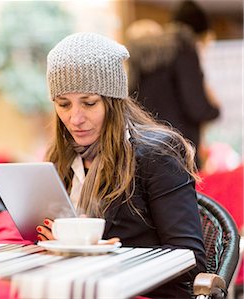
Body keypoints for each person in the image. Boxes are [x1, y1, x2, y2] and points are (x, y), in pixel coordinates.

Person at [35, 32, 206, 298]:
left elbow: (189, 261)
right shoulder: (61, 157)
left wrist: (99, 253)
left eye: (89, 103)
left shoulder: (156, 155)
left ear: (113, 102)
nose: (74, 118)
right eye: (63, 104)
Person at [126, 0, 221, 168]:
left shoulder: (144, 54)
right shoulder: (183, 48)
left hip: (144, 150)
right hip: (179, 151)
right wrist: (214, 110)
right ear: (199, 34)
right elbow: (196, 107)